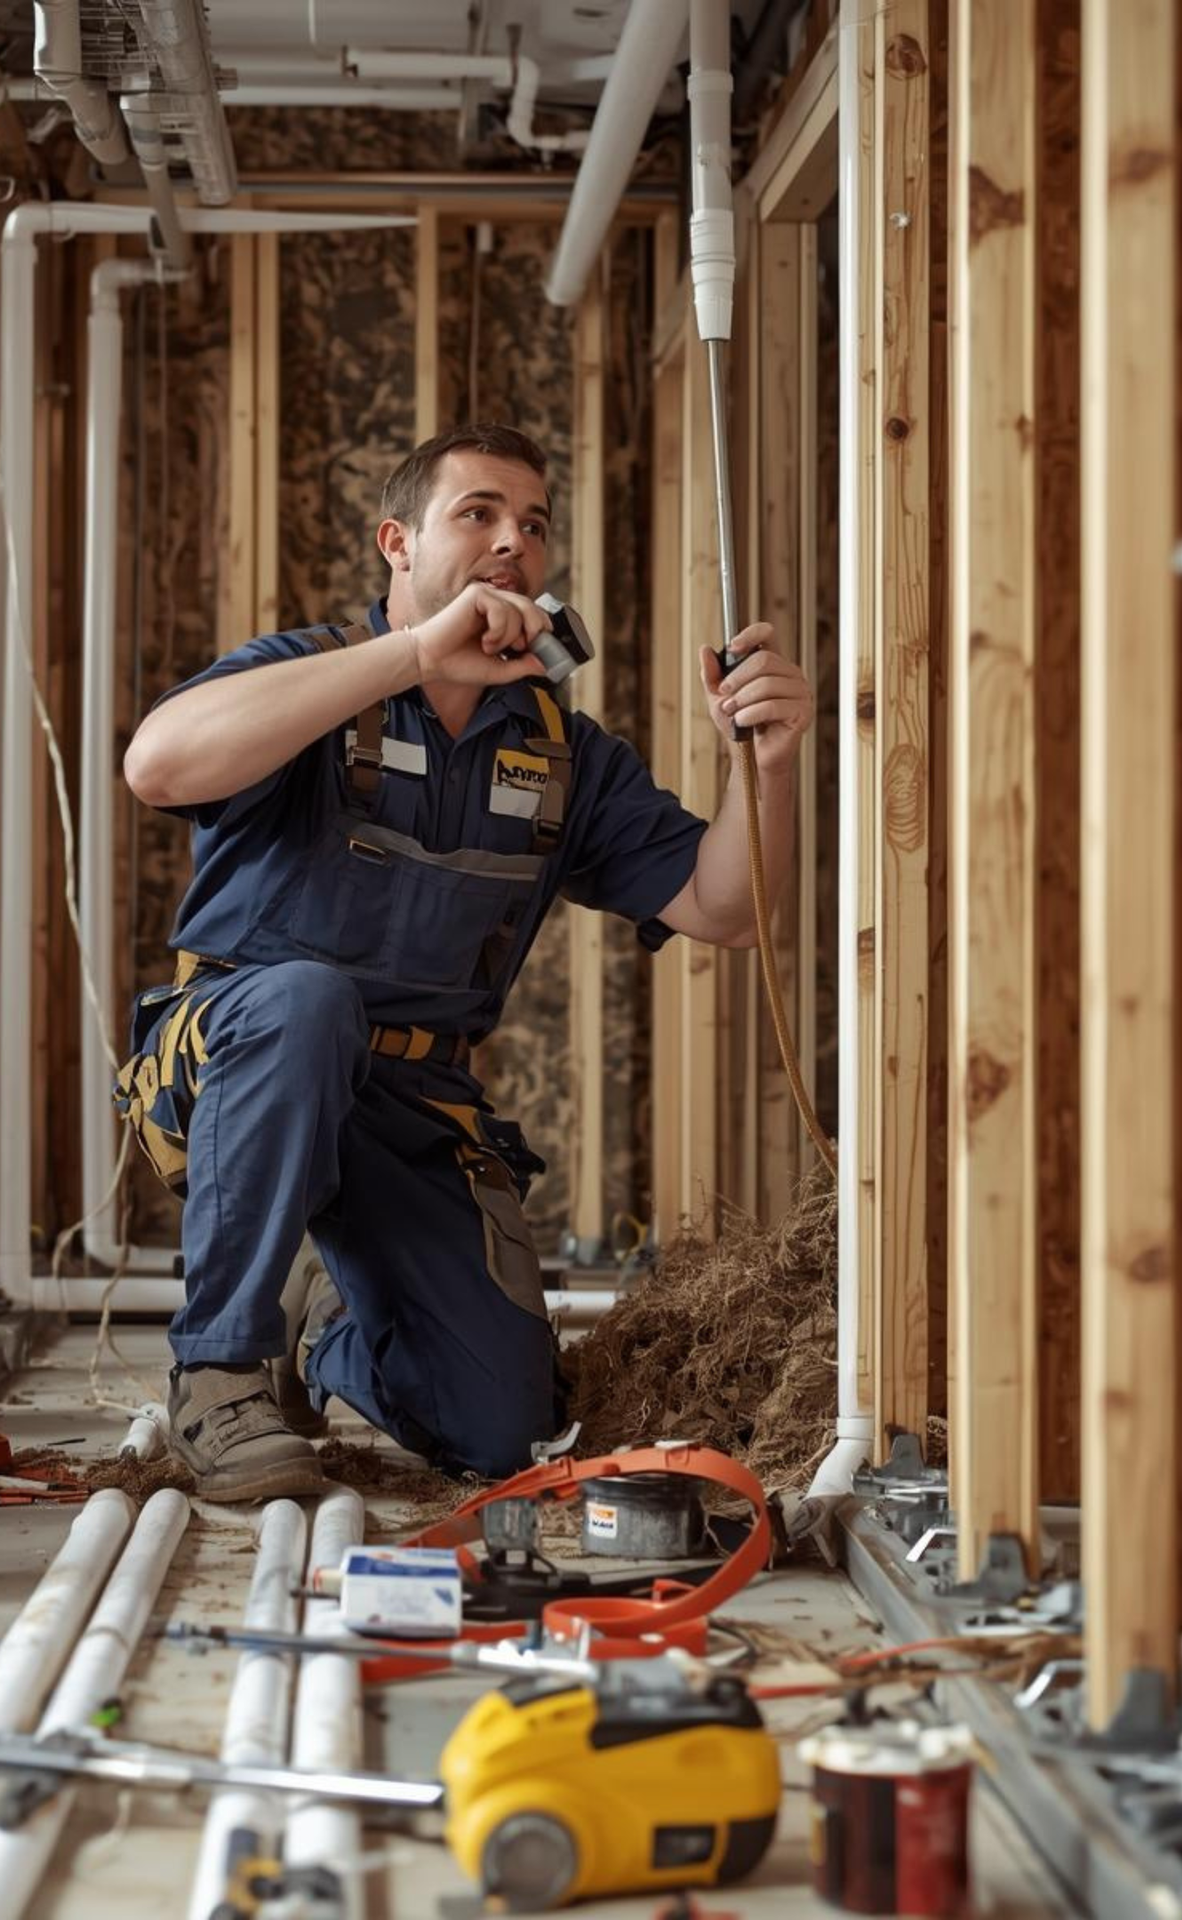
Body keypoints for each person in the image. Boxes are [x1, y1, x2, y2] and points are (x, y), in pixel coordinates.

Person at [118, 423, 812, 1501]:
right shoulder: (312, 680)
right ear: (397, 543)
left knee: (501, 1426)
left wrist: (765, 767)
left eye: (532, 526)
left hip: (414, 1101)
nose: (512, 543)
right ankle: (216, 1376)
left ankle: (323, 1330)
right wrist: (412, 656)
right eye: (477, 513)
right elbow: (157, 765)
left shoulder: (560, 754)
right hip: (239, 1062)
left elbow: (725, 910)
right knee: (306, 1003)